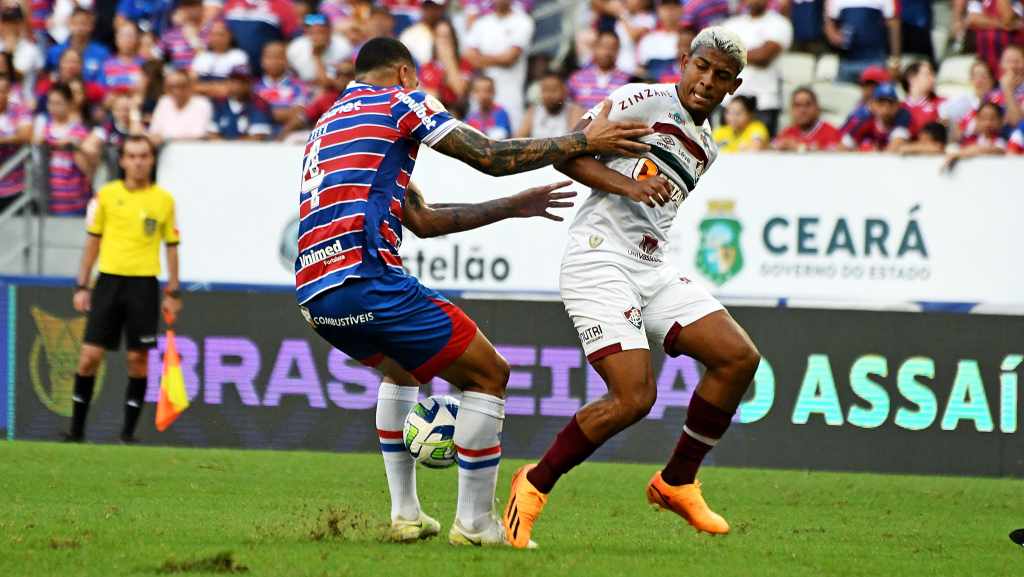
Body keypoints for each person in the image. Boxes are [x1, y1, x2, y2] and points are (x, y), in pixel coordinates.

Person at [296, 36, 651, 546]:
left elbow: (420, 220)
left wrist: (512, 205)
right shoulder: (402, 101)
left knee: (400, 370)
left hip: (316, 293)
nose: (421, 90)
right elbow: (486, 153)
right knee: (490, 374)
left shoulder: (328, 123)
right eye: (417, 81)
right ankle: (476, 524)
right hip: (366, 279)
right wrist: (582, 141)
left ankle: (407, 515)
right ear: (403, 74)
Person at [502, 27, 759, 549]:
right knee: (635, 396)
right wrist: (631, 185)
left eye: (721, 77)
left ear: (734, 87)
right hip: (597, 257)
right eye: (701, 67)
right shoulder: (642, 99)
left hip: (651, 265)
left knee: (738, 358)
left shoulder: (706, 144)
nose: (707, 82)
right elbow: (567, 153)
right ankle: (533, 483)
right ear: (684, 61)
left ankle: (677, 481)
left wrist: (642, 193)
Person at [66, 135, 182, 444]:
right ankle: (76, 432)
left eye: (143, 155)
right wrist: (81, 284)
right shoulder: (106, 195)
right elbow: (93, 241)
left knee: (138, 359)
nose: (138, 161)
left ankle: (127, 435)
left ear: (151, 159)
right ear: (122, 161)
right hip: (108, 281)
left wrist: (173, 291)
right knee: (89, 356)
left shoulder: (163, 199)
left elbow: (171, 247)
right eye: (131, 156)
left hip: (144, 284)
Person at [723, 0, 792, 135]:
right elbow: (718, 54)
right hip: (730, 102)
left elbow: (764, 57)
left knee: (761, 153)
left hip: (764, 102)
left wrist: (731, 52)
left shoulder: (779, 23)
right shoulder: (731, 24)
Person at [464, 0, 534, 130]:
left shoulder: (523, 21)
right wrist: (499, 58)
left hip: (510, 91)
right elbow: (469, 56)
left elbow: (510, 58)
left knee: (511, 139)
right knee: (476, 137)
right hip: (482, 91)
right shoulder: (481, 23)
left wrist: (481, 58)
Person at [34, 82, 98, 215]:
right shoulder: (43, 130)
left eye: (59, 103)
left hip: (76, 202)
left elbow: (90, 169)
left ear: (70, 103)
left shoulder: (80, 131)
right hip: (48, 201)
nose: (53, 108)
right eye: (51, 103)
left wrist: (76, 146)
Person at [825, 0, 901, 83]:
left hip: (875, 60)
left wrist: (895, 59)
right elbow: (829, 24)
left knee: (875, 95)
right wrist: (835, 36)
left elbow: (893, 25)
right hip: (847, 62)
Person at [222, 0, 299, 76]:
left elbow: (293, 39)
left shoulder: (283, 5)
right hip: (236, 76)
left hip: (268, 74)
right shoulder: (230, 3)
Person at [255, 41, 308, 138]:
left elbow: (300, 115)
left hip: (288, 136)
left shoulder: (298, 86)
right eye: (269, 57)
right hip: (258, 136)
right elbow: (251, 115)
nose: (274, 61)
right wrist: (284, 113)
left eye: (279, 57)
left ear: (286, 61)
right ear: (262, 61)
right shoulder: (254, 87)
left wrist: (281, 135)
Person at [286, 13, 352, 90]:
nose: (316, 36)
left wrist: (316, 56)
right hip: (303, 90)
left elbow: (330, 84)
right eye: (312, 32)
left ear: (330, 30)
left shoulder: (342, 45)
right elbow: (293, 78)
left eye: (321, 31)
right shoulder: (296, 47)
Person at [568, 30, 631, 110]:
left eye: (612, 48)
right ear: (594, 48)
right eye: (603, 47)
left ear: (618, 51)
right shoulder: (576, 79)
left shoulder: (627, 80)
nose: (607, 52)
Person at [46, 8, 111, 85]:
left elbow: (103, 83)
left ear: (92, 26)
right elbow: (47, 78)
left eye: (84, 23)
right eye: (75, 23)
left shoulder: (102, 52)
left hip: (91, 95)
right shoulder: (54, 51)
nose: (79, 28)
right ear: (69, 23)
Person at [148, 69, 213, 143]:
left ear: (189, 86)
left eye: (181, 86)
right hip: (165, 148)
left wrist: (167, 139)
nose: (176, 91)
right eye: (170, 87)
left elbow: (200, 135)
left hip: (192, 148)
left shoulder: (202, 103)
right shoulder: (164, 101)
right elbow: (154, 132)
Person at [207, 65, 272, 140]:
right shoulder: (220, 103)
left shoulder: (259, 104)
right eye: (233, 81)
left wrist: (229, 147)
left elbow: (257, 137)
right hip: (220, 149)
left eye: (242, 82)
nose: (236, 86)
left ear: (250, 84)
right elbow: (212, 133)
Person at [840, 82, 911, 151]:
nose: (886, 108)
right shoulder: (865, 121)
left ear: (897, 105)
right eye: (881, 103)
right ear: (871, 104)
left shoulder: (902, 118)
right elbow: (842, 148)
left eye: (891, 103)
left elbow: (894, 149)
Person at [190, 18, 249, 100]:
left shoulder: (238, 56)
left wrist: (204, 88)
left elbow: (236, 87)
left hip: (229, 101)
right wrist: (216, 88)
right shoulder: (202, 57)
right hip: (202, 101)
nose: (217, 38)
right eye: (213, 35)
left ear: (230, 36)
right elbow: (191, 85)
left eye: (221, 34)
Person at [0, 70, 32, 214]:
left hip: (15, 187)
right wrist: (11, 138)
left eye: (2, 91)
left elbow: (26, 135)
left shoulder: (19, 110)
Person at [516, 71, 584, 138]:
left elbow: (575, 140)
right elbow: (518, 140)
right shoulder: (533, 112)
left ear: (564, 90)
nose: (549, 95)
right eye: (545, 90)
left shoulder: (574, 111)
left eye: (554, 90)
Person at [938, 59, 994, 140]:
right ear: (971, 80)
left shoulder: (998, 100)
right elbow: (943, 115)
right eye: (975, 76)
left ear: (991, 79)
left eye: (983, 76)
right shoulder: (963, 99)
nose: (979, 81)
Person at [773, 86, 843, 151]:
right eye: (797, 105)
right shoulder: (787, 133)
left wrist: (802, 147)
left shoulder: (830, 132)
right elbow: (771, 146)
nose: (802, 110)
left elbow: (840, 151)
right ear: (792, 109)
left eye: (808, 105)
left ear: (817, 108)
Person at [966, 0, 1024, 77]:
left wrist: (986, 21)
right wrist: (1001, 25)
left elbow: (1007, 18)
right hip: (988, 61)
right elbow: (973, 19)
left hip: (1012, 62)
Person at [944, 100, 1009, 168]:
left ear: (1001, 120)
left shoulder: (1003, 140)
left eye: (992, 119)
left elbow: (995, 150)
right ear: (977, 120)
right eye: (984, 118)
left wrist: (960, 153)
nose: (988, 123)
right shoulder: (970, 139)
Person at [637, 0, 684, 81]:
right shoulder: (648, 39)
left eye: (674, 7)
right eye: (665, 8)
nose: (670, 11)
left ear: (681, 10)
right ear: (658, 10)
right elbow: (640, 69)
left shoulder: (688, 39)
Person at [160, 0, 208, 71]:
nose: (191, 10)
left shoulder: (210, 31)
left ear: (201, 7)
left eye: (194, 5)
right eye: (187, 6)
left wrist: (193, 39)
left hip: (202, 76)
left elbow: (208, 60)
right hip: (177, 77)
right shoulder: (171, 33)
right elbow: (155, 55)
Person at [101, 21, 146, 96]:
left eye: (130, 36)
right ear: (116, 38)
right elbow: (102, 94)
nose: (126, 40)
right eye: (123, 35)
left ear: (137, 39)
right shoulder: (106, 64)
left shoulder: (144, 65)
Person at [901, 60, 943, 137]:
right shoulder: (899, 108)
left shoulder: (941, 103)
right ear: (912, 78)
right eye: (928, 74)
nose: (933, 79)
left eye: (933, 75)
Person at [465, 75, 512, 139]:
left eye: (487, 91)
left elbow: (501, 135)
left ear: (494, 92)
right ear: (473, 93)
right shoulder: (471, 117)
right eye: (478, 91)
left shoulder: (500, 113)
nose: (482, 95)